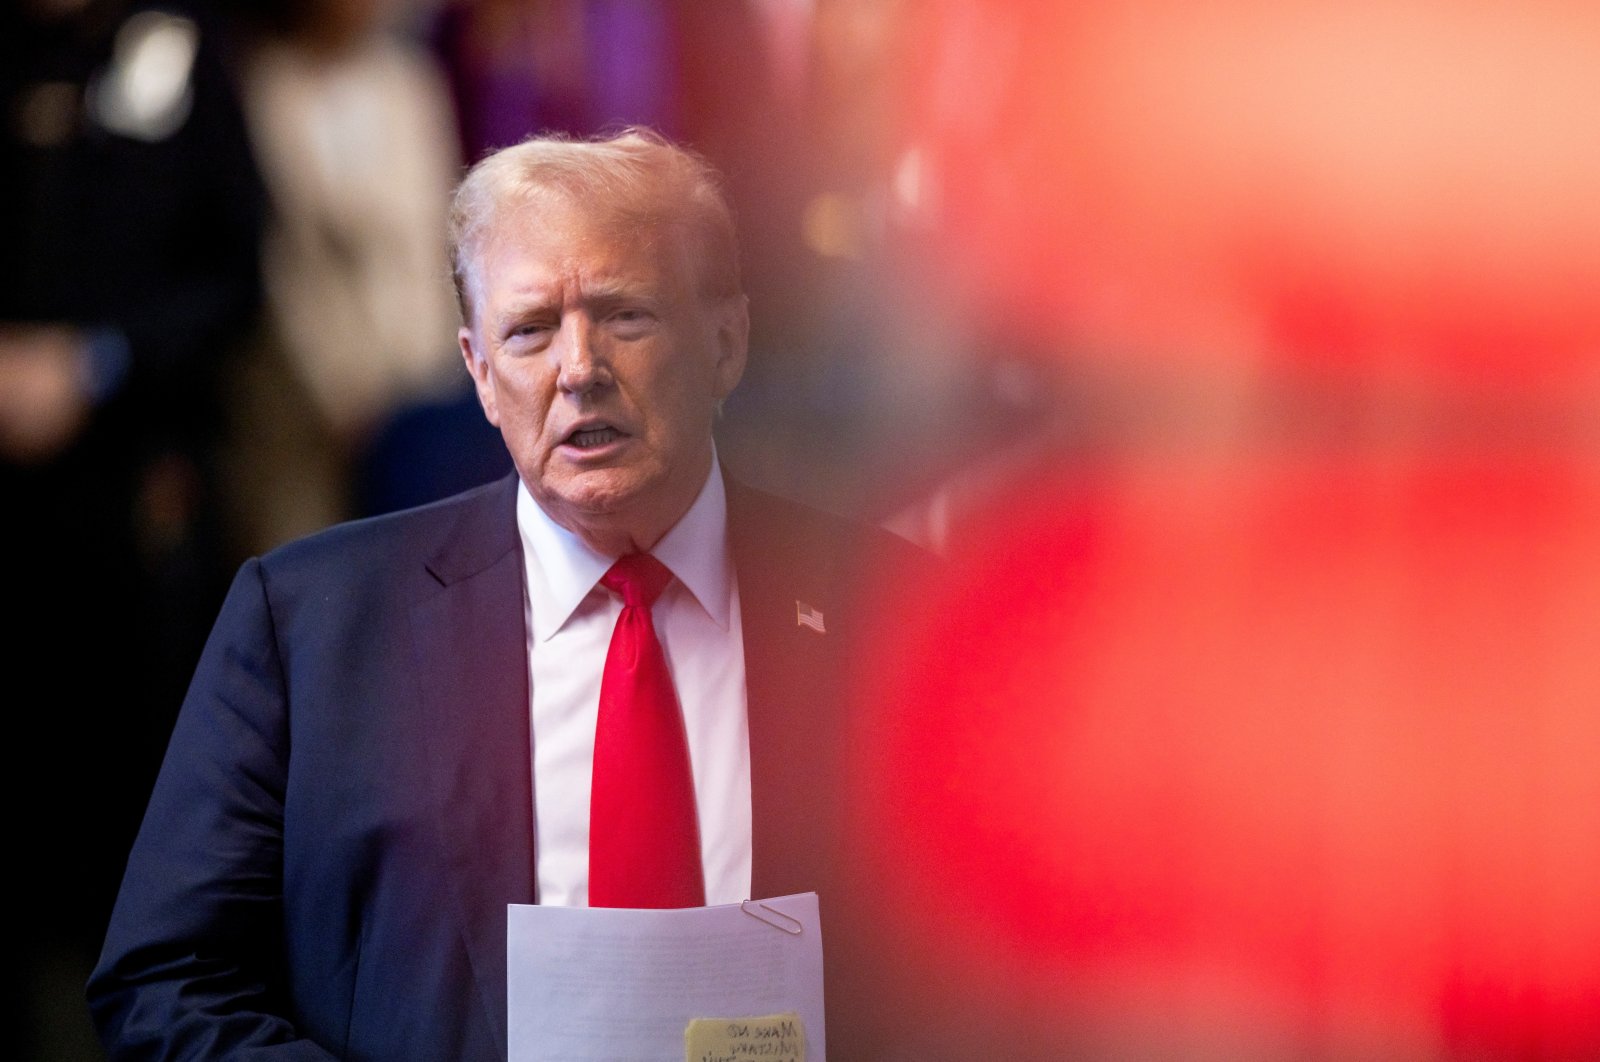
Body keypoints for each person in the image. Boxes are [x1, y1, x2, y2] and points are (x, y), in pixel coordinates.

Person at [88, 128, 930, 1059]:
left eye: (625, 316)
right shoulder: (311, 626)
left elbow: (1008, 975)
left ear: (726, 341)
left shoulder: (894, 613)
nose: (579, 368)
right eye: (530, 331)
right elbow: (165, 979)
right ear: (480, 373)